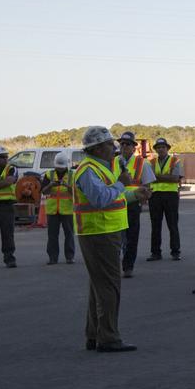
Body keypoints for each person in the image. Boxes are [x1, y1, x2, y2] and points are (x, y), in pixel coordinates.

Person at [73, 125, 144, 352]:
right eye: (108, 144)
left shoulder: (101, 167)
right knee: (109, 287)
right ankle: (109, 338)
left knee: (99, 286)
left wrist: (134, 194)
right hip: (98, 233)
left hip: (104, 231)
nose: (114, 148)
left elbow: (113, 196)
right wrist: (123, 183)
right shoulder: (88, 170)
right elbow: (101, 198)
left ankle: (95, 334)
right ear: (97, 148)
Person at [114, 132, 154, 278]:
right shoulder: (113, 162)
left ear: (133, 147)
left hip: (132, 204)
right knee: (116, 236)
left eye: (127, 144)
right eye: (122, 144)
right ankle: (115, 264)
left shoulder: (142, 163)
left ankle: (128, 266)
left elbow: (147, 184)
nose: (124, 146)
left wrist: (143, 200)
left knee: (131, 237)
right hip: (116, 202)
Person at [146, 137, 183, 262]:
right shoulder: (150, 161)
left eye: (163, 147)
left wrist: (157, 177)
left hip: (170, 195)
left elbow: (175, 178)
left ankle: (175, 252)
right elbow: (149, 178)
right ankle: (155, 253)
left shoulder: (175, 161)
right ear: (155, 149)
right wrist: (167, 176)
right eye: (158, 147)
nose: (161, 149)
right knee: (155, 225)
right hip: (155, 195)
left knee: (172, 224)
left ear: (167, 149)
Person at [39, 152, 76, 265]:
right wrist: (50, 185)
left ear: (66, 165)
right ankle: (53, 258)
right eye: (58, 167)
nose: (59, 169)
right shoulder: (48, 174)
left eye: (61, 167)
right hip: (52, 210)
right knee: (52, 235)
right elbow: (43, 191)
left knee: (69, 234)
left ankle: (69, 257)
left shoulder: (72, 175)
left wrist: (67, 186)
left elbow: (77, 192)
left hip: (68, 209)